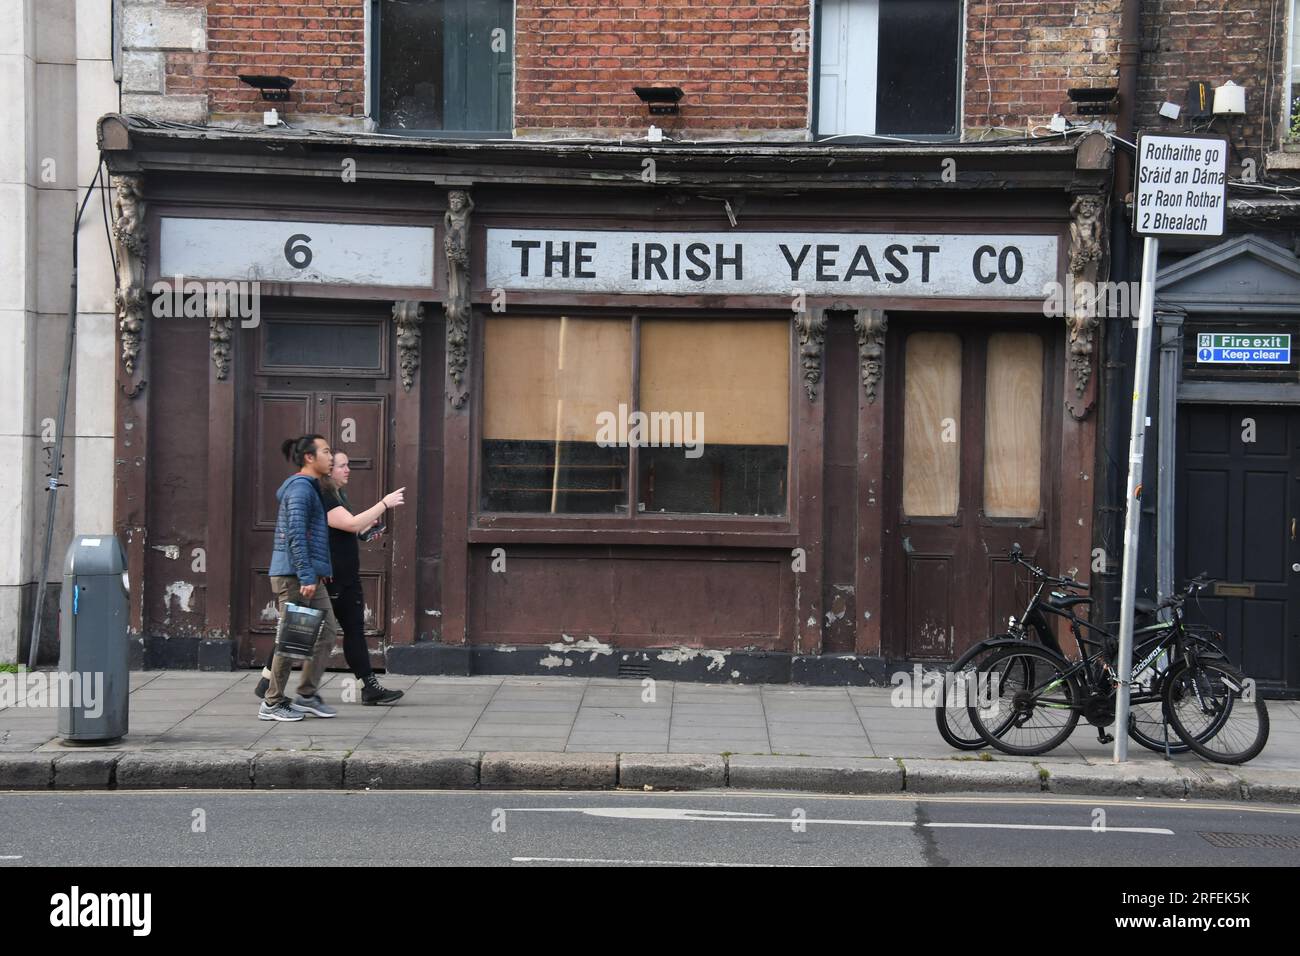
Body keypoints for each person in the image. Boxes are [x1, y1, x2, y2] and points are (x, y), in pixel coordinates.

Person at [259, 435, 340, 721]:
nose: (332, 457)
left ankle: (306, 693)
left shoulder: (311, 488)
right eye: (327, 452)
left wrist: (319, 572)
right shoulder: (300, 490)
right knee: (292, 637)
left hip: (305, 575)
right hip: (294, 576)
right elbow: (295, 534)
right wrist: (307, 574)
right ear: (309, 457)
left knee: (328, 630)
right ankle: (272, 702)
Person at [320, 451, 406, 704]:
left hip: (347, 575)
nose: (348, 470)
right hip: (331, 577)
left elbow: (348, 529)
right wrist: (384, 503)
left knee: (354, 630)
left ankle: (369, 688)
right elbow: (349, 524)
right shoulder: (323, 496)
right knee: (304, 631)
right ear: (329, 470)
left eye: (348, 465)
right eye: (342, 466)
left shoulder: (338, 495)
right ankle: (268, 680)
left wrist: (364, 532)